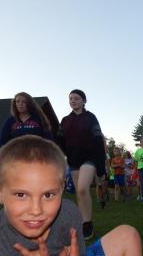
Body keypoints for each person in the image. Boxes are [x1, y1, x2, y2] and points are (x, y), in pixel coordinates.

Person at [0, 135, 142, 256]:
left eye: (48, 195)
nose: (36, 210)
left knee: (127, 235)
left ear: (62, 188)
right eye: (21, 194)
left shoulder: (69, 212)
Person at [57, 89, 106, 240]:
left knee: (83, 188)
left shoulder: (90, 118)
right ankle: (84, 222)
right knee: (79, 193)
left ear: (84, 101)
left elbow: (98, 140)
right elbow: (59, 141)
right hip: (73, 160)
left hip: (89, 158)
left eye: (76, 98)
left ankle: (87, 223)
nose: (73, 101)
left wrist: (101, 167)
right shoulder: (65, 120)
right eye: (71, 99)